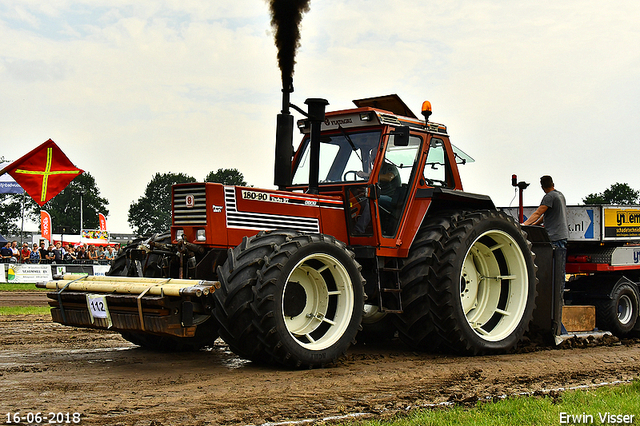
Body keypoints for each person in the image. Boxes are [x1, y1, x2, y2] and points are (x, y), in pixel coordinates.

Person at [523, 175, 569, 248]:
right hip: (562, 235)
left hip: (554, 236)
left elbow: (538, 213)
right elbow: (548, 215)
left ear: (542, 187)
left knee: (551, 258)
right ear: (553, 184)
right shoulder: (560, 195)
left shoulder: (549, 196)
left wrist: (524, 225)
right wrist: (535, 224)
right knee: (560, 258)